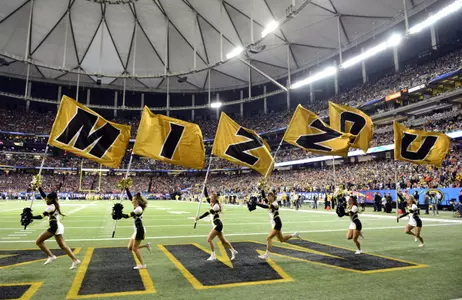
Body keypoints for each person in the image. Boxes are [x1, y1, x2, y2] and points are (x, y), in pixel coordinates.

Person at [31, 187, 80, 269]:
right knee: (63, 246)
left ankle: (51, 256)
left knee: (38, 241)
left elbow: (41, 216)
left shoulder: (51, 207)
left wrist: (31, 217)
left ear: (51, 200)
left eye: (48, 200)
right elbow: (44, 197)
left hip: (55, 227)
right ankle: (75, 260)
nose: (46, 200)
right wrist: (39, 189)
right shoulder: (53, 203)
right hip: (58, 225)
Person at [256, 189, 300, 260]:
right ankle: (294, 234)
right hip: (274, 223)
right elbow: (264, 198)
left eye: (269, 196)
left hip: (277, 223)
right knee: (281, 240)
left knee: (269, 238)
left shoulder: (275, 204)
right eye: (268, 196)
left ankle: (266, 254)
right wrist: (262, 189)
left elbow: (266, 207)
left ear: (273, 197)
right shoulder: (270, 202)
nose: (268, 197)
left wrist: (256, 204)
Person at [196, 187, 238, 261]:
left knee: (209, 239)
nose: (210, 198)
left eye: (212, 197)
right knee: (223, 241)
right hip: (216, 225)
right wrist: (204, 187)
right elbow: (206, 195)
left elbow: (207, 213)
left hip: (218, 225)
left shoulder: (216, 206)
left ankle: (213, 255)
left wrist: (199, 217)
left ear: (215, 199)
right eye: (211, 197)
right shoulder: (212, 203)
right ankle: (233, 251)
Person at [121, 188, 152, 269]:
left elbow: (127, 216)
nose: (132, 201)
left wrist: (118, 213)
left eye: (133, 200)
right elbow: (130, 197)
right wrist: (126, 189)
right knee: (130, 248)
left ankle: (142, 265)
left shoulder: (138, 209)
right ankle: (146, 245)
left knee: (134, 249)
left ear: (136, 201)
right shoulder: (136, 205)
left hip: (139, 230)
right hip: (136, 230)